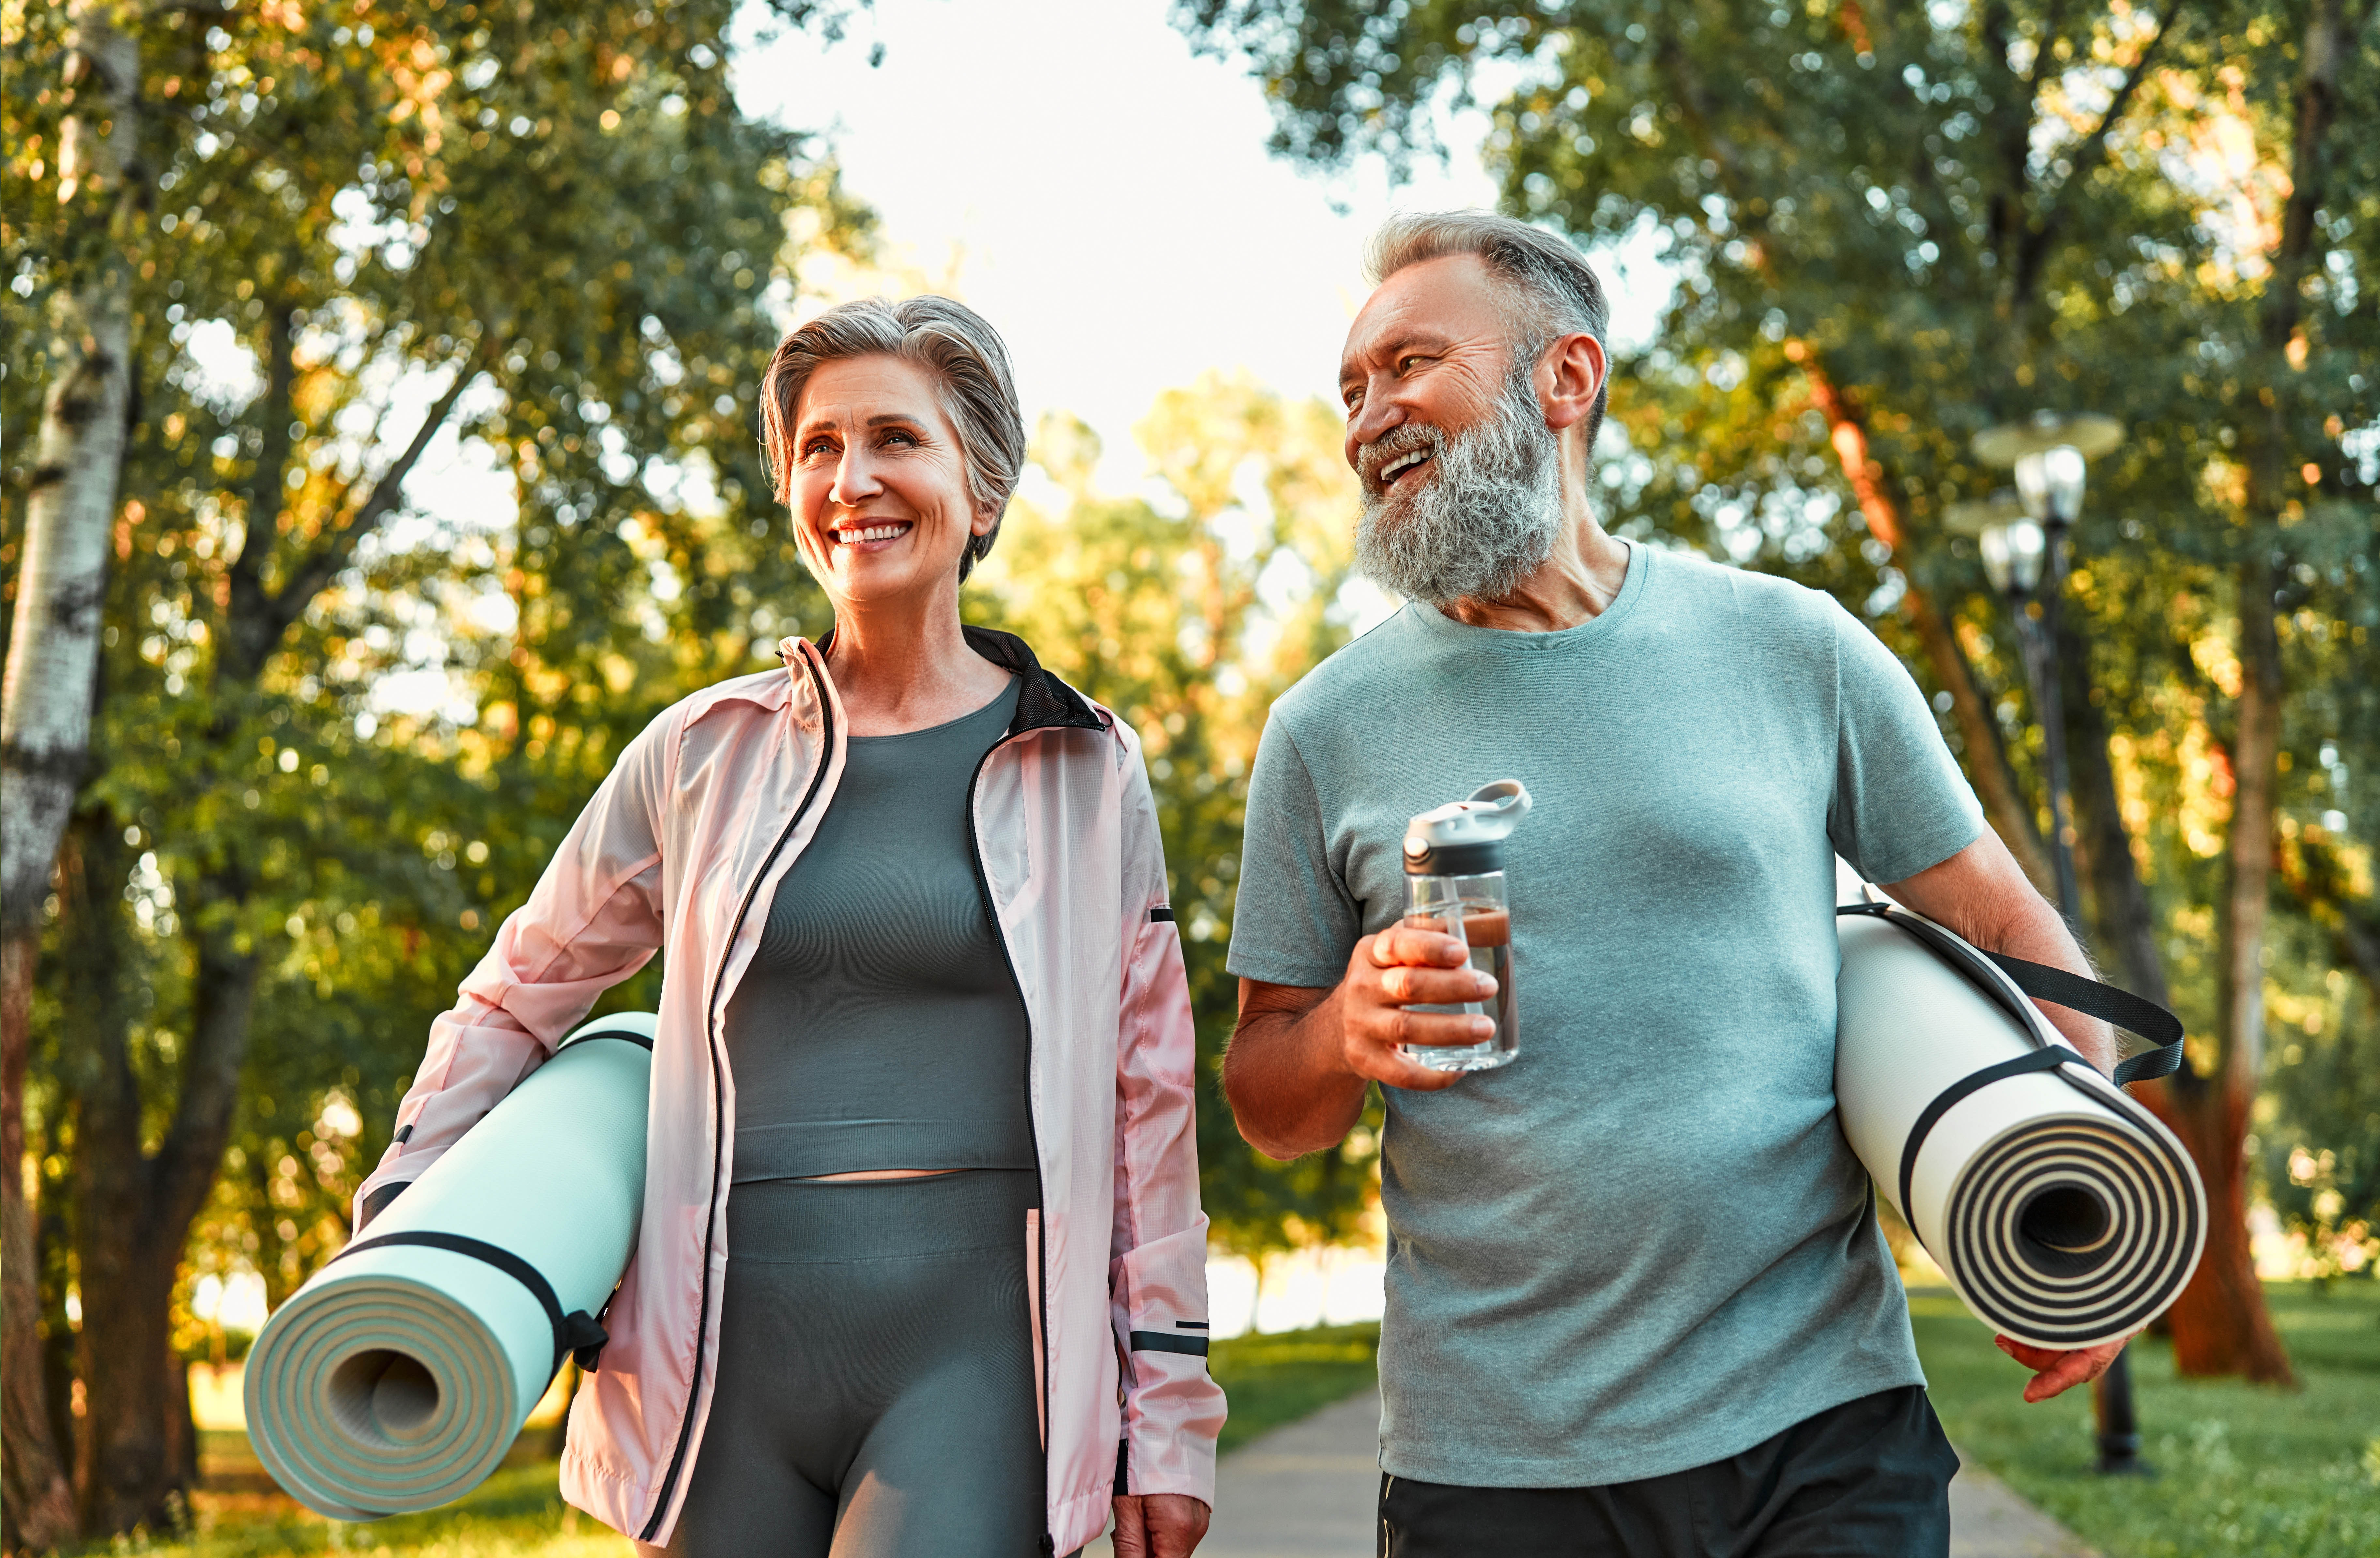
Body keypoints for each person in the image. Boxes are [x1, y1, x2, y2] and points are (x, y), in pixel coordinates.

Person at [1221, 211, 2125, 1557]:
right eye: (1351, 391)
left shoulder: (1791, 644)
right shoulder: (1322, 730)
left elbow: (2003, 925)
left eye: (1410, 365)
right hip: (1497, 1457)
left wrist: (2082, 1210)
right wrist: (1346, 1029)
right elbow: (1264, 1098)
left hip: (1824, 1419)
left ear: (1567, 379)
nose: (1369, 419)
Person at [355, 296, 1220, 1558]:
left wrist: (1172, 1416)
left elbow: (1150, 1105)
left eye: (894, 439)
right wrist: (403, 1223)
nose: (851, 478)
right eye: (818, 447)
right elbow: (516, 994)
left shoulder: (1085, 767)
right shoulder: (700, 753)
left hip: (977, 1362)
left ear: (981, 490)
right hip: (717, 1374)